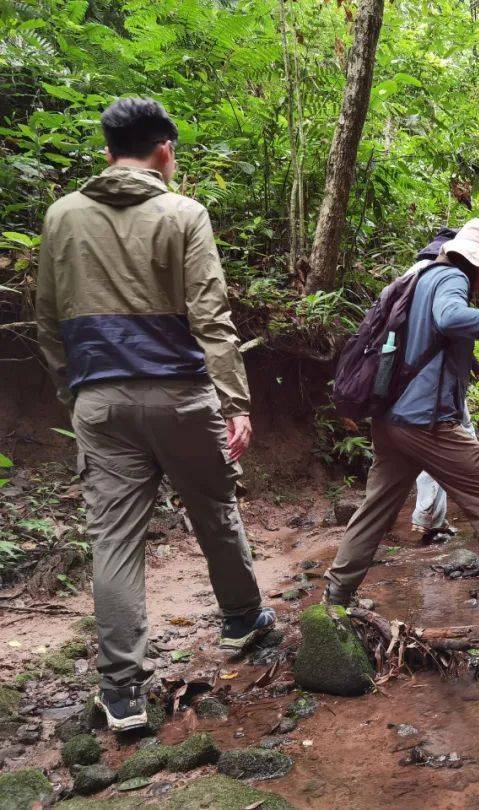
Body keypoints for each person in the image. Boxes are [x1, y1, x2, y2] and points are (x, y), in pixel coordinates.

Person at [35, 98, 274, 732]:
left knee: (114, 539)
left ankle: (122, 693)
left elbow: (48, 320)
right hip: (180, 395)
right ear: (163, 148)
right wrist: (236, 402)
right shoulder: (183, 213)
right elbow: (210, 316)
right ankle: (243, 619)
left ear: (108, 146)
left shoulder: (61, 217)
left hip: (99, 401)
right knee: (213, 508)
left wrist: (73, 392)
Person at [325, 218, 479, 624]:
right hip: (426, 421)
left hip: (392, 417)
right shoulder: (453, 280)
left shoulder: (420, 277)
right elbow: (452, 318)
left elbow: (434, 338)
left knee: (376, 508)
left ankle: (336, 596)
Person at [403, 229, 479, 541]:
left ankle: (339, 587)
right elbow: (450, 323)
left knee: (383, 494)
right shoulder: (448, 276)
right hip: (434, 391)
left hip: (406, 392)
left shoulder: (414, 276)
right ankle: (429, 519)